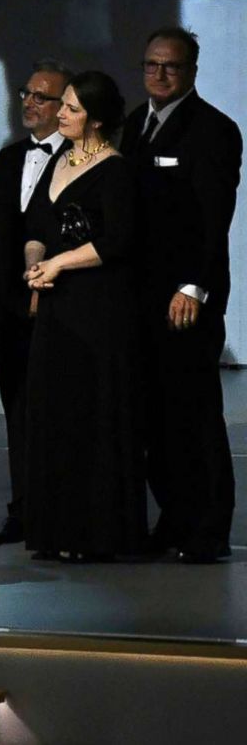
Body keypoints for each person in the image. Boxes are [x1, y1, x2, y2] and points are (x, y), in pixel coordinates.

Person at [124, 28, 242, 563]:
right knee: (152, 419)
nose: (160, 75)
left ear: (191, 70)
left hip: (186, 300)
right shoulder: (130, 128)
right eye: (152, 65)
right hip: (138, 303)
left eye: (171, 66)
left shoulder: (215, 130)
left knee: (194, 417)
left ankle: (209, 530)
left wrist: (192, 284)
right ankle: (173, 520)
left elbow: (212, 218)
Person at [23, 70, 145, 561]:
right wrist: (36, 265)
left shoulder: (116, 170)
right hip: (56, 309)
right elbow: (36, 222)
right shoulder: (59, 157)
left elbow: (117, 241)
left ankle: (95, 534)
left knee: (92, 417)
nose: (62, 114)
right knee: (55, 416)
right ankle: (56, 531)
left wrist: (59, 263)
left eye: (71, 108)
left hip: (98, 312)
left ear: (94, 119)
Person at [0, 60, 71, 548]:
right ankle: (23, 507)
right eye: (27, 93)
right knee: (17, 413)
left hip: (59, 307)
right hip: (14, 311)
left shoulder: (82, 158)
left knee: (57, 412)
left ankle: (57, 508)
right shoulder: (10, 157)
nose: (30, 103)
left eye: (43, 96)